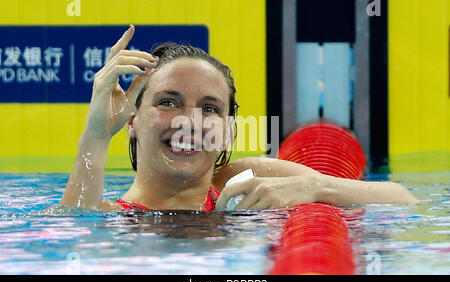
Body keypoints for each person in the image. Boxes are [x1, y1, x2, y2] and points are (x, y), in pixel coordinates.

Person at [60, 25, 420, 212]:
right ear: (134, 120)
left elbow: (403, 200)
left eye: (210, 108)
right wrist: (96, 136)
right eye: (169, 102)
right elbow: (74, 229)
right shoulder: (110, 218)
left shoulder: (246, 178)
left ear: (228, 133)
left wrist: (316, 186)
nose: (191, 122)